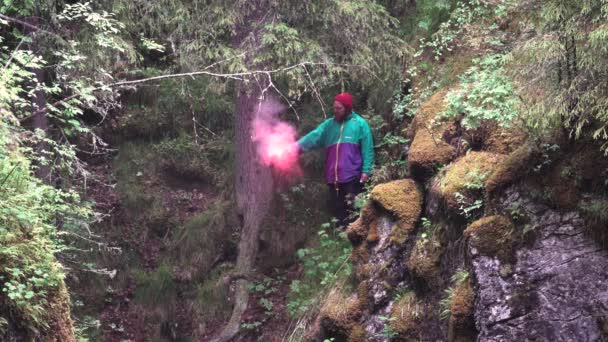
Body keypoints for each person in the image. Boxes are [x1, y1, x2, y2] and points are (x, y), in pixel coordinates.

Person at [297, 93, 374, 227]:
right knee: (338, 211)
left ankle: (356, 235)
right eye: (335, 108)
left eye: (339, 108)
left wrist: (366, 170)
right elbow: (313, 137)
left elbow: (367, 149)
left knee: (354, 209)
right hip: (333, 178)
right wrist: (295, 148)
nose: (336, 111)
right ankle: (341, 237)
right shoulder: (329, 125)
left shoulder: (360, 124)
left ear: (347, 108)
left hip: (352, 176)